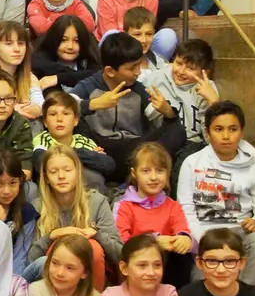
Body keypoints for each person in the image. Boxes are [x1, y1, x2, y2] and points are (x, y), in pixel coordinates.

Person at [68, 32, 187, 183]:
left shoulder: (138, 90)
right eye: (132, 68)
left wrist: (167, 112)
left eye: (139, 65)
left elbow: (159, 122)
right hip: (100, 150)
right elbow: (60, 108)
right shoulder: (89, 86)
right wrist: (92, 104)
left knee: (177, 130)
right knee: (74, 119)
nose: (138, 72)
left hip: (133, 151)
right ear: (110, 71)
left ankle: (132, 179)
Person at [177, 100, 255, 286]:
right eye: (218, 129)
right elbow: (185, 209)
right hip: (204, 233)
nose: (226, 136)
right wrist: (202, 238)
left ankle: (247, 294)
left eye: (233, 129)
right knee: (200, 278)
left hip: (240, 233)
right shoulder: (192, 163)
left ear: (241, 132)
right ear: (207, 133)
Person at [23, 145, 121, 288]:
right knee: (58, 249)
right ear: (46, 178)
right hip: (51, 288)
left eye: (67, 170)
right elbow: (29, 263)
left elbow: (119, 254)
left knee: (92, 246)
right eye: (53, 171)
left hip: (92, 285)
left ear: (78, 172)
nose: (61, 176)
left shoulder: (97, 201)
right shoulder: (37, 207)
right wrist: (52, 236)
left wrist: (96, 235)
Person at [115, 143, 195, 286]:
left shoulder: (172, 206)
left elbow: (182, 229)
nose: (153, 177)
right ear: (134, 174)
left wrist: (184, 239)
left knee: (182, 258)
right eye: (146, 171)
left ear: (168, 173)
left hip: (166, 265)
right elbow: (120, 242)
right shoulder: (124, 206)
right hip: (137, 263)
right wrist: (154, 241)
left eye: (159, 171)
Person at [139, 37, 220, 173]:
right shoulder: (157, 79)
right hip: (163, 138)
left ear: (204, 71)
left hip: (192, 143)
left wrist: (214, 103)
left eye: (190, 68)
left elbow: (211, 139)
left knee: (185, 165)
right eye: (178, 63)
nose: (181, 71)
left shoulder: (207, 88)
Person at [36, 88, 116, 193]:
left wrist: (85, 155)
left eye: (65, 113)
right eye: (53, 114)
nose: (59, 119)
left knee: (94, 176)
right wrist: (86, 155)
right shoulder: (42, 140)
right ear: (45, 122)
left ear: (76, 120)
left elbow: (109, 165)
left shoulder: (82, 140)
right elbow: (40, 163)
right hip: (52, 193)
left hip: (85, 194)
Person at [32, 13, 102, 89]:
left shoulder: (91, 56)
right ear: (53, 39)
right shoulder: (40, 60)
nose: (70, 47)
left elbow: (98, 74)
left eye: (76, 41)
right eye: (64, 40)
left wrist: (59, 78)